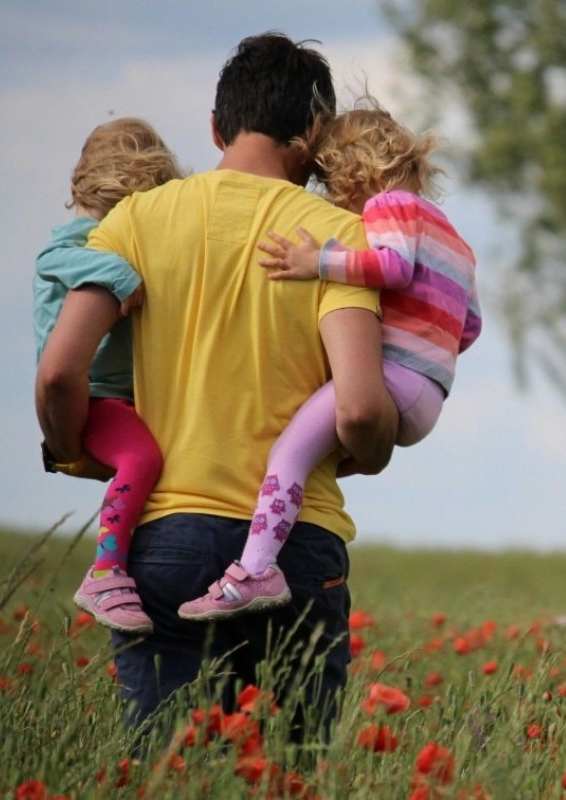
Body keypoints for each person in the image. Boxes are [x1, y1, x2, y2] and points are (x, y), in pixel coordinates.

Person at [35, 32, 398, 742]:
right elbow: (358, 409)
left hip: (164, 540)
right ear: (316, 132)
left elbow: (58, 371)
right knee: (290, 774)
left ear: (215, 127)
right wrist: (374, 449)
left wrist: (74, 449)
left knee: (167, 769)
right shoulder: (339, 239)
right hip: (296, 545)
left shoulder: (135, 220)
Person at [178, 104, 482, 621]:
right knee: (317, 453)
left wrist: (316, 262)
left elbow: (392, 267)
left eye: (333, 186)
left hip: (393, 377)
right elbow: (469, 326)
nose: (337, 201)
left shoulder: (389, 204)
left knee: (287, 454)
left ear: (355, 172)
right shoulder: (455, 239)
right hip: (429, 393)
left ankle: (255, 570)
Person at [34, 118, 183, 635]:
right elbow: (53, 259)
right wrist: (121, 274)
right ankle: (105, 571)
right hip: (95, 396)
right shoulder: (80, 240)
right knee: (142, 459)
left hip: (118, 395)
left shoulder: (104, 235)